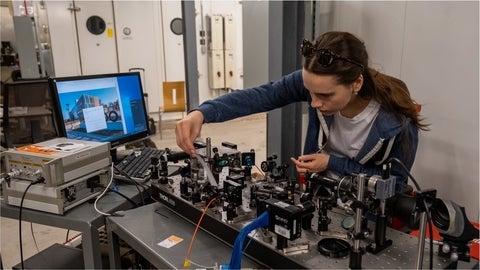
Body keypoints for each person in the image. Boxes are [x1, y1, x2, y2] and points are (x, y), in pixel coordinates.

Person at [175, 31, 428, 189]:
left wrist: (332, 163)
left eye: (325, 95)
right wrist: (202, 113)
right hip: (315, 197)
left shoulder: (398, 122)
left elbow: (394, 186)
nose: (314, 103)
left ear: (356, 83)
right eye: (310, 92)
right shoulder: (313, 86)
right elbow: (262, 96)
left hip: (366, 219)